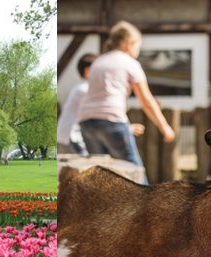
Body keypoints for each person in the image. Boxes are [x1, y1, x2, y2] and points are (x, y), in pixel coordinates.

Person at [77, 21, 174, 185]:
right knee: (134, 169)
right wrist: (164, 126)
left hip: (86, 121)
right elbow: (146, 101)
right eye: (138, 46)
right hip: (111, 119)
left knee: (99, 171)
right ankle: (146, 208)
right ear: (129, 44)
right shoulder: (130, 63)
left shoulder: (98, 62)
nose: (138, 51)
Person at [58, 53, 98, 156]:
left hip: (68, 135)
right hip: (71, 136)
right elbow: (95, 113)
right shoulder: (83, 89)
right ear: (87, 71)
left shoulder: (82, 87)